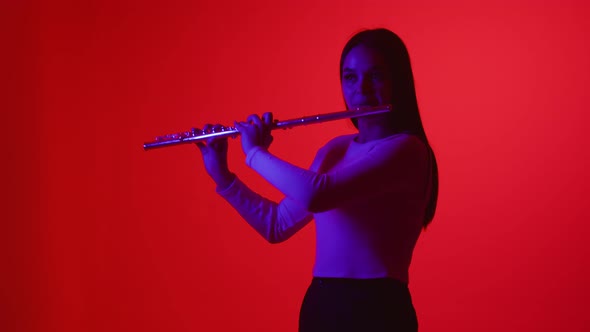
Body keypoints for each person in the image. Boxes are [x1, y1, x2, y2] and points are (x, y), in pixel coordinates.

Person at [195, 28, 439, 332]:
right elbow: (277, 224)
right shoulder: (335, 149)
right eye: (350, 77)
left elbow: (317, 195)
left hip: (378, 309)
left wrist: (255, 153)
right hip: (322, 305)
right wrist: (224, 177)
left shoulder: (407, 150)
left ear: (397, 82)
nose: (361, 89)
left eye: (375, 75)